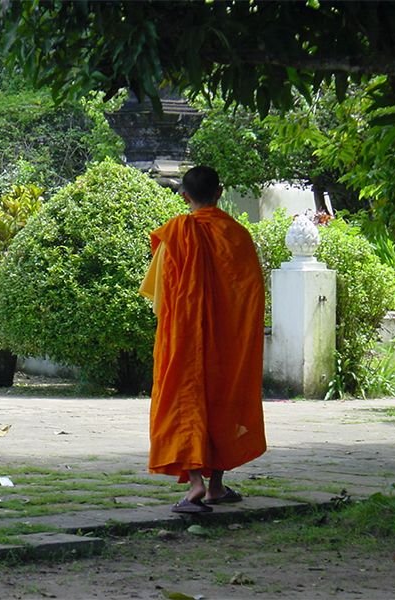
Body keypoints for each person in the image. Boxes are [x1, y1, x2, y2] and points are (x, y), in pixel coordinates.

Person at [139, 166, 266, 514]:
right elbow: (250, 294)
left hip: (185, 338)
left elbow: (159, 296)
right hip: (227, 343)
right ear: (220, 192)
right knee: (223, 402)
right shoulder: (237, 235)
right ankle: (215, 486)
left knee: (186, 401)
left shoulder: (177, 234)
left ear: (184, 197)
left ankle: (196, 485)